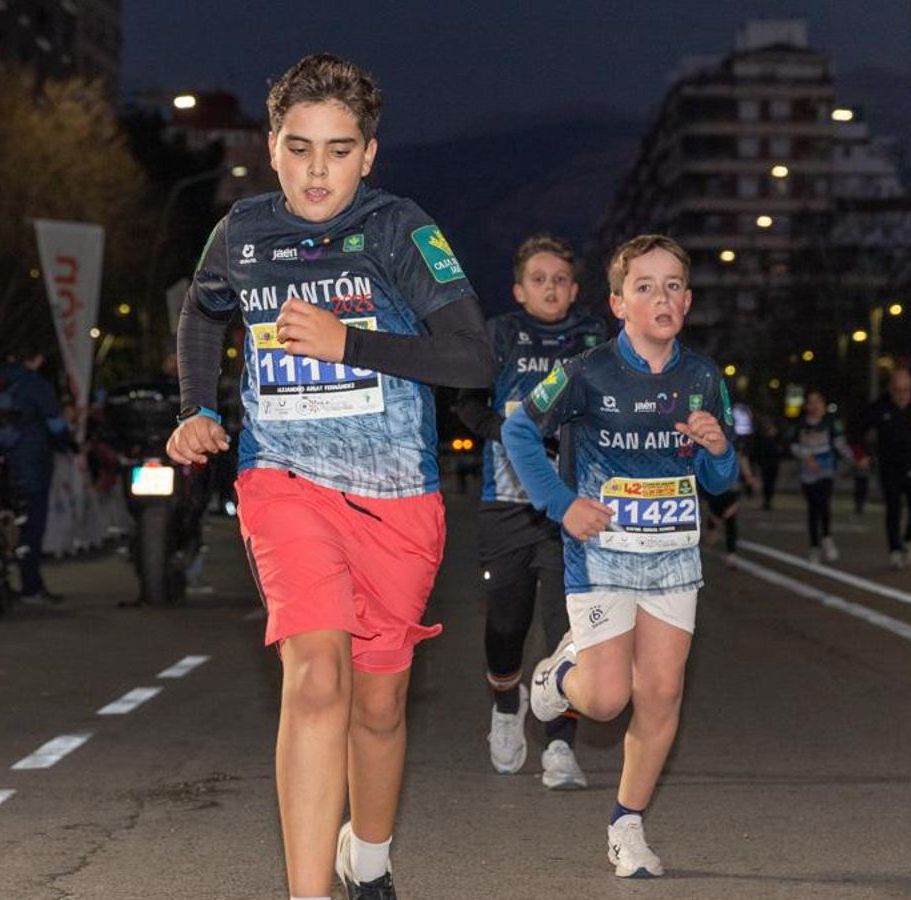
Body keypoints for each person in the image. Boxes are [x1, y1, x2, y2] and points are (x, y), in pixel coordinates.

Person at [165, 54, 494, 900]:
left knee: (378, 710)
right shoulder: (240, 231)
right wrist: (197, 405)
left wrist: (352, 343)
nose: (318, 170)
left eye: (339, 151)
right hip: (283, 481)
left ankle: (369, 855)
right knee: (315, 680)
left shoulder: (398, 229)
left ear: (369, 156)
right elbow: (201, 312)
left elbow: (471, 355)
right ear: (271, 147)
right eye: (300, 148)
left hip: (396, 497)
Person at [503, 234, 736, 879]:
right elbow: (519, 427)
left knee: (660, 694)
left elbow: (721, 481)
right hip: (600, 553)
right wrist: (559, 502)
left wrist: (717, 449)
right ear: (617, 303)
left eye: (671, 286)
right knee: (605, 700)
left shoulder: (704, 378)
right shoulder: (586, 372)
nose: (659, 296)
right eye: (644, 286)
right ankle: (555, 679)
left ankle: (626, 824)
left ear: (686, 301)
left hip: (673, 558)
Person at [453, 233, 606, 789]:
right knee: (505, 627)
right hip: (508, 503)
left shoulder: (593, 337)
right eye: (538, 279)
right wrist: (513, 434)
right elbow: (466, 406)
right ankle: (504, 705)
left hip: (571, 507)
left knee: (569, 632)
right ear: (520, 289)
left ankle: (562, 744)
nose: (550, 287)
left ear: (574, 290)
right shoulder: (498, 335)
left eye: (560, 280)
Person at [0, 347, 70, 606]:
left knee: (0, 527)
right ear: (37, 357)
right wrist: (68, 444)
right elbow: (55, 422)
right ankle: (31, 586)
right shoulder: (34, 383)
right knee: (32, 527)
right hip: (31, 463)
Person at [862, 368, 911, 569]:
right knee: (893, 508)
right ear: (890, 390)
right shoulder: (879, 408)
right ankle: (894, 549)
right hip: (890, 466)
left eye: (906, 390)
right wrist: (863, 454)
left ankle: (908, 540)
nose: (902, 395)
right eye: (897, 390)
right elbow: (858, 430)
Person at [789, 389, 853, 564]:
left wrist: (853, 458)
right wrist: (806, 456)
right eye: (811, 402)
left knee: (824, 503)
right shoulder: (801, 425)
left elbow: (840, 444)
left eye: (818, 402)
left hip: (826, 471)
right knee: (813, 507)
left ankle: (826, 537)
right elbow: (793, 446)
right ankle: (814, 546)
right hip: (808, 474)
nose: (814, 406)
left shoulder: (831, 422)